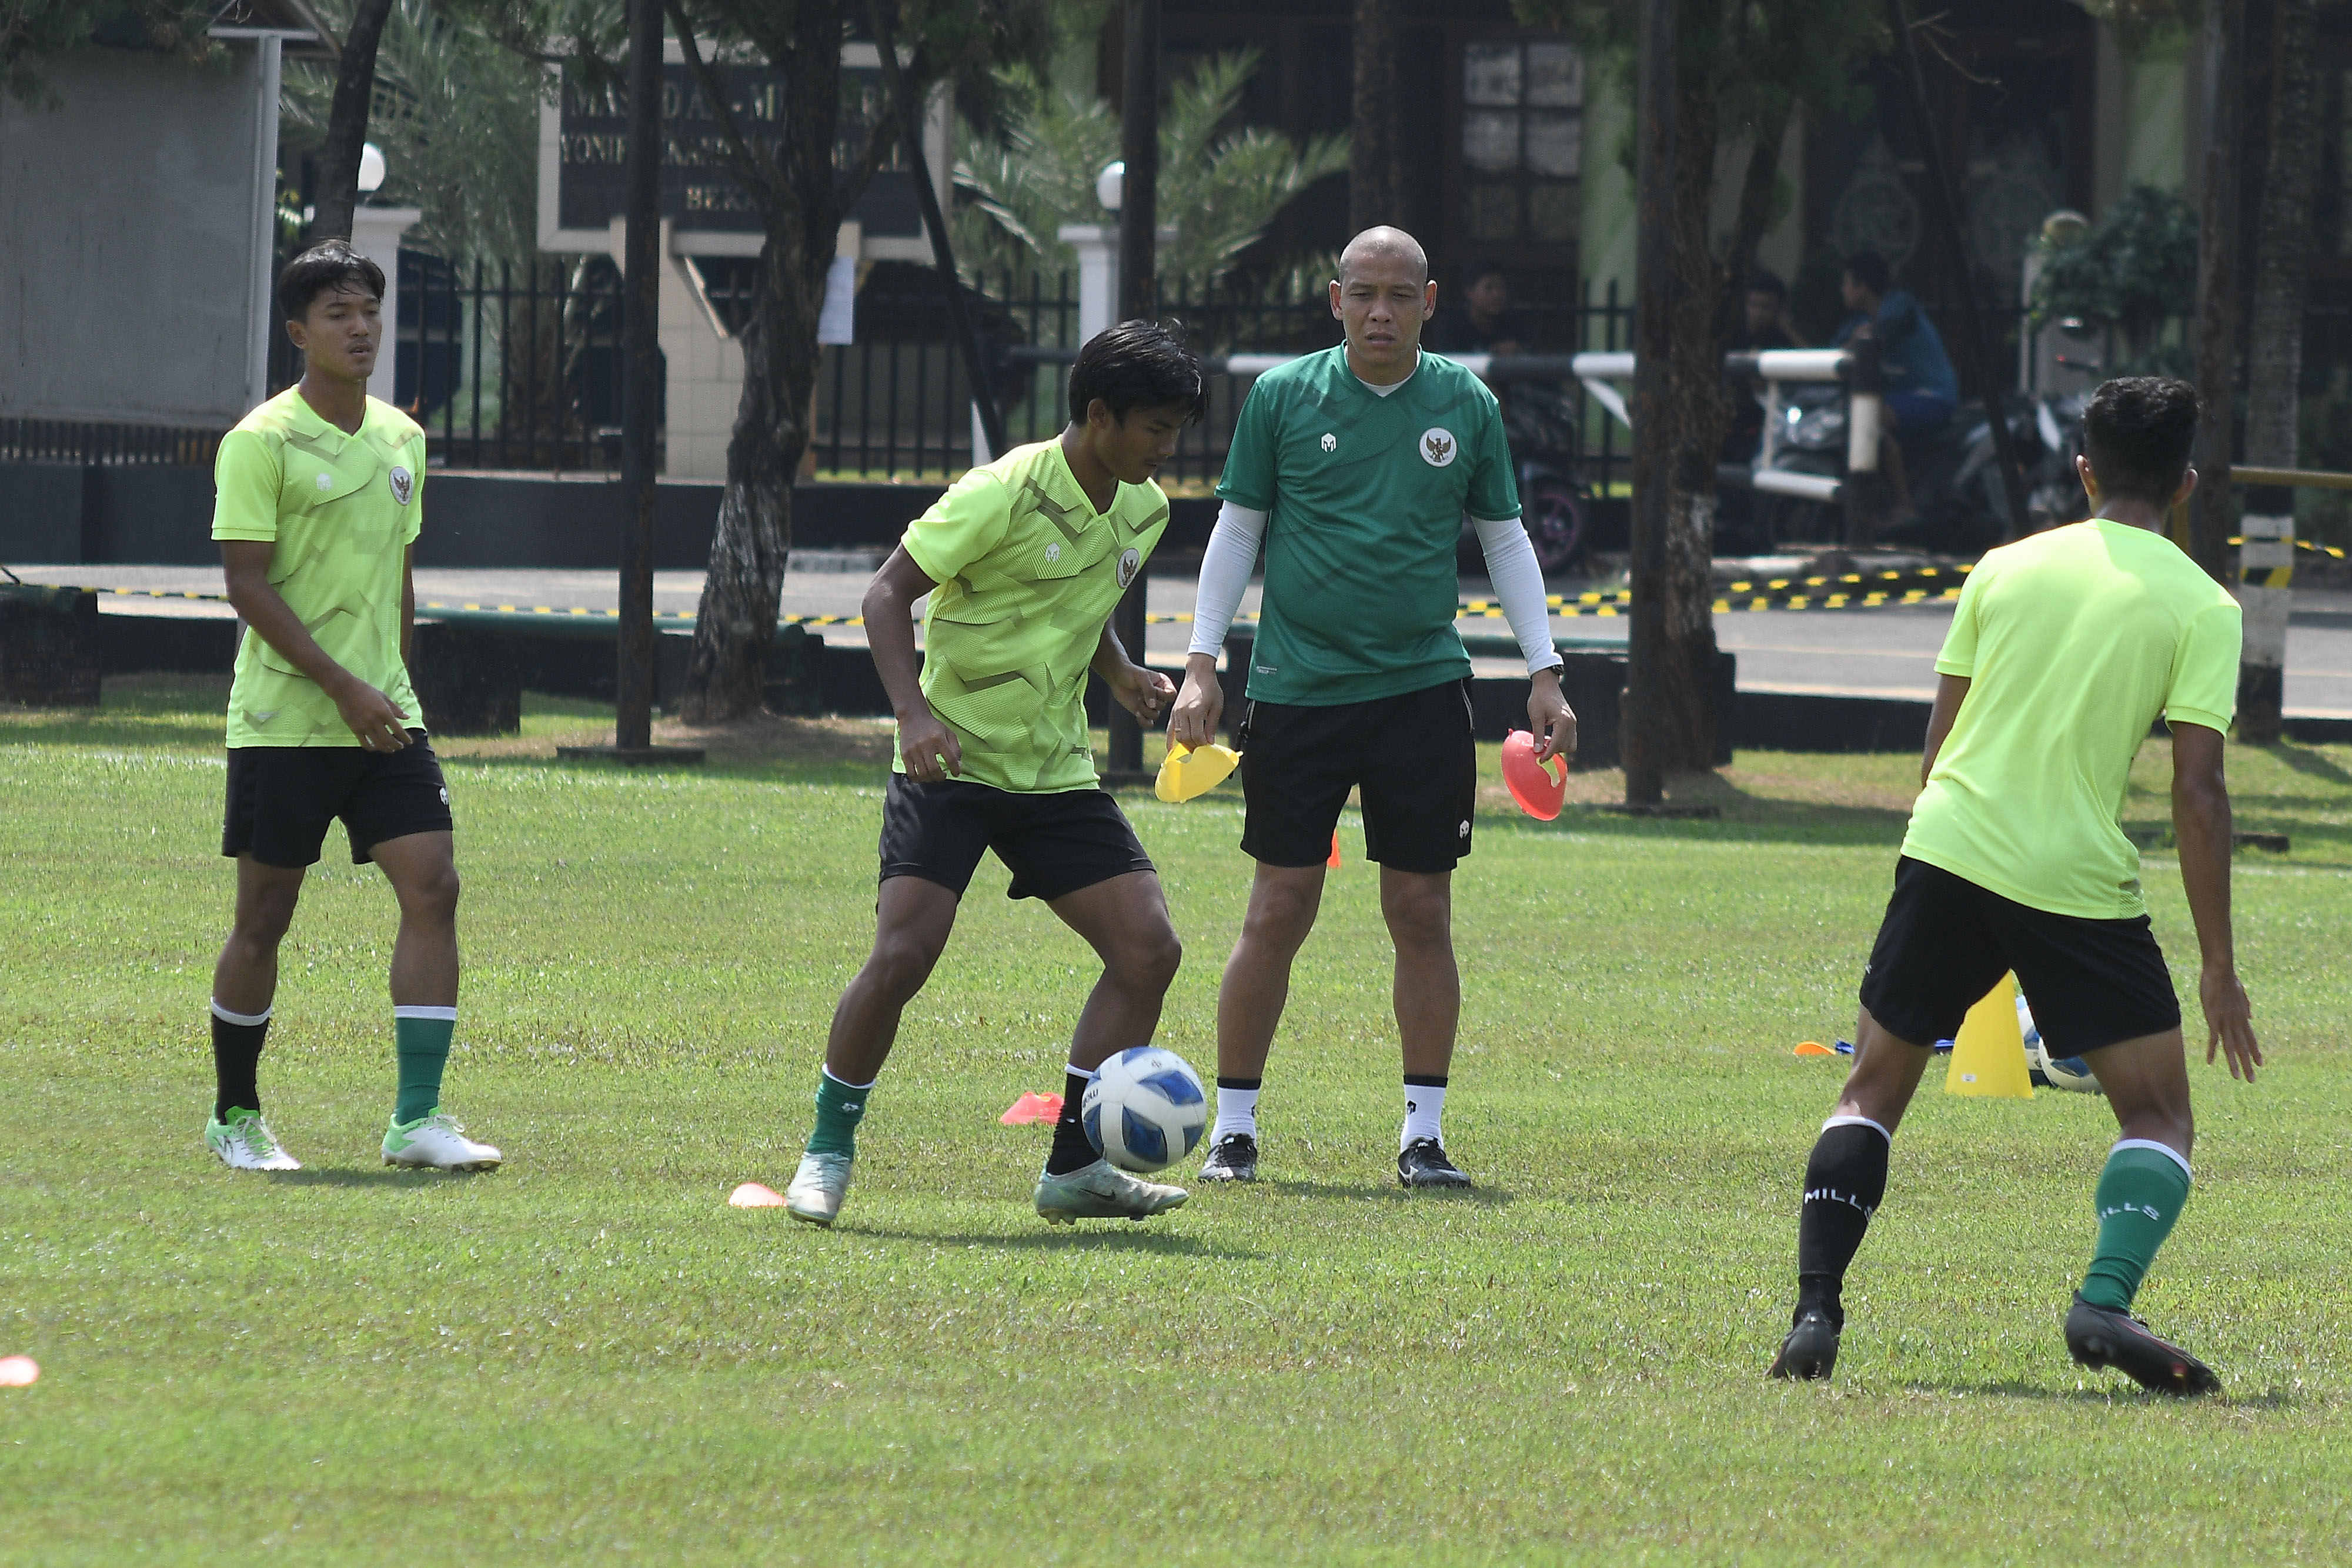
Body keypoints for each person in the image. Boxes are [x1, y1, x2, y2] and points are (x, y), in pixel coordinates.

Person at [1767, 376, 2258, 1395]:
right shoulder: (2204, 605)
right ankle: (2103, 1301)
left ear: (2083, 472)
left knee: (1871, 1089)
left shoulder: (2001, 567)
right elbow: (2199, 792)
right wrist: (2219, 966)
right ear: (2187, 486)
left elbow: (1938, 743)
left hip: (1950, 843)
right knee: (2158, 1114)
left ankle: (1816, 1309)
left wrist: (1945, 860)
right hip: (2073, 876)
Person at [1167, 226, 1575, 1191]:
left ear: (1429, 301)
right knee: (1279, 905)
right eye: (1363, 293)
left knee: (1421, 909)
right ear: (1335, 299)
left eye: (1399, 295)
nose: (1380, 312)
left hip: (1422, 692)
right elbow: (1237, 530)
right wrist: (1200, 665)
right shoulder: (1281, 397)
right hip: (1297, 690)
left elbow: (1505, 539)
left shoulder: (1466, 403)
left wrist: (1546, 670)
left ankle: (1423, 1136)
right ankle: (1234, 1128)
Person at [779, 322, 1207, 1229]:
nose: (1169, 449)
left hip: (1053, 770)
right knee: (903, 955)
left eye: (1177, 430)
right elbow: (885, 594)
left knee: (1149, 949)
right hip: (954, 758)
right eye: (1156, 429)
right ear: (1100, 415)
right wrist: (914, 716)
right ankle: (826, 1150)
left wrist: (1120, 672)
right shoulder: (1001, 491)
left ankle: (1076, 1167)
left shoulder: (1143, 509)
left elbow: (1074, 604)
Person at [205, 239, 500, 1174]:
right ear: (300, 332)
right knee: (265, 916)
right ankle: (235, 1115)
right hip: (287, 721)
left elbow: (399, 575)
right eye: (339, 313)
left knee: (434, 885)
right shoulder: (261, 441)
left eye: (370, 310)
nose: (361, 327)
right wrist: (343, 685)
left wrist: (394, 685)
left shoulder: (403, 439)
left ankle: (418, 1118)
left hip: (385, 719)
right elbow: (246, 584)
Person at [1832, 252, 1959, 525]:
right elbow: (1832, 354)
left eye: (1846, 283)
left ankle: (1904, 505)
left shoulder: (1900, 306)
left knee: (1870, 418)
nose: (1843, 290)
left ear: (1862, 287)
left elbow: (1883, 334)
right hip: (1897, 399)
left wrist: (1862, 341)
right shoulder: (1857, 322)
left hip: (1931, 396)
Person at [1425, 258, 1530, 357]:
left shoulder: (1515, 324)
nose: (1497, 294)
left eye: (1501, 287)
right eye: (1489, 288)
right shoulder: (1451, 326)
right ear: (1470, 292)